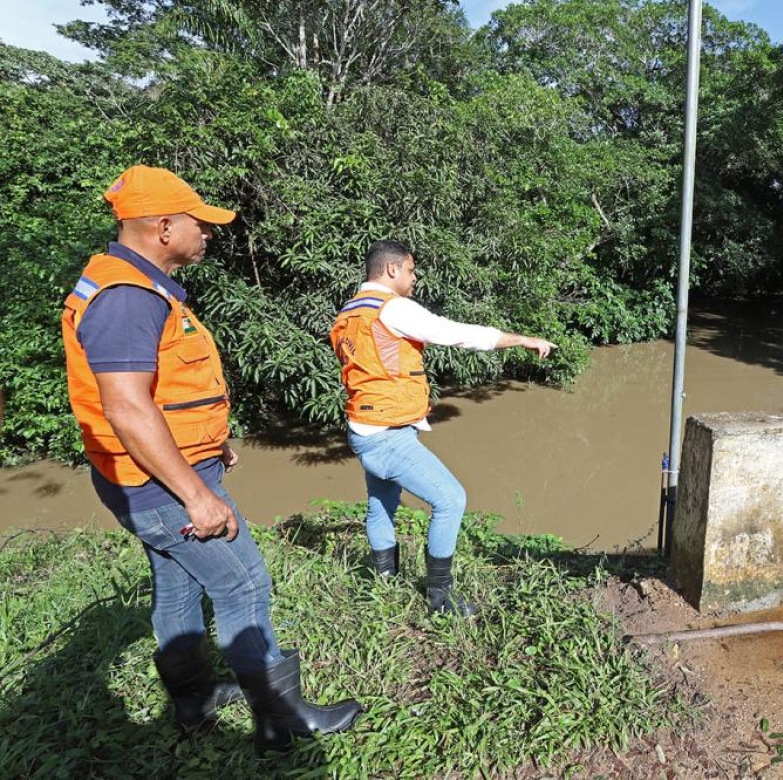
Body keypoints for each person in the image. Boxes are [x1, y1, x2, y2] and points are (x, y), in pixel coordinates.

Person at [62, 165, 361, 750]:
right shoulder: (128, 299)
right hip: (160, 485)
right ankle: (282, 721)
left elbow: (162, 394)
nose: (208, 233)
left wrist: (208, 443)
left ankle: (193, 702)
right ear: (163, 228)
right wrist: (195, 494)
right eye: (199, 223)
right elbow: (127, 408)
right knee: (243, 582)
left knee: (177, 585)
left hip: (152, 473)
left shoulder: (136, 287)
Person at [330, 240, 556, 616]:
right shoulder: (392, 308)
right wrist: (520, 340)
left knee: (381, 504)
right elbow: (453, 332)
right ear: (392, 269)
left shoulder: (350, 311)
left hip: (364, 426)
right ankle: (440, 598)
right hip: (387, 435)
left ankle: (385, 586)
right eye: (411, 270)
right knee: (450, 500)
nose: (414, 278)